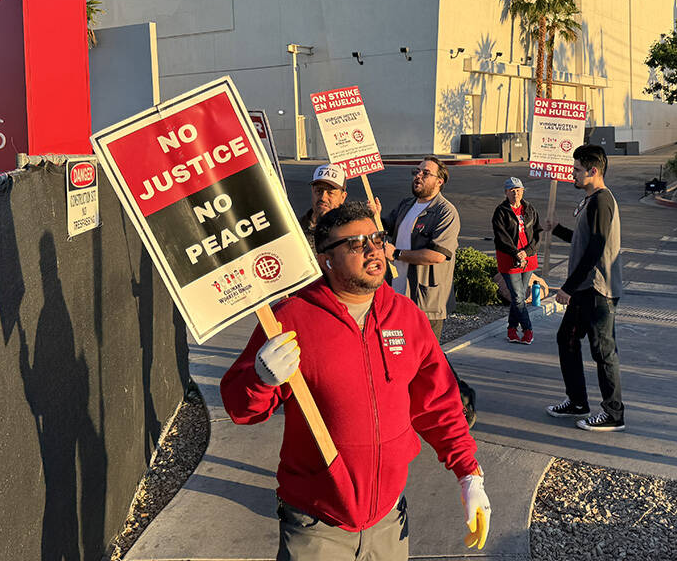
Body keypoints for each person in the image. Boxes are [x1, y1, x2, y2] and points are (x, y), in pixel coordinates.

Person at [221, 202, 491, 559]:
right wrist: (259, 379)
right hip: (316, 526)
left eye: (376, 238)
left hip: (390, 520)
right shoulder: (291, 319)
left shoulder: (406, 315)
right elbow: (242, 409)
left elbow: (438, 404)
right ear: (325, 259)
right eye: (354, 243)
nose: (372, 249)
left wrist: (468, 473)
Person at [380, 156, 478, 426]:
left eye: (426, 173)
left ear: (440, 180)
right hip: (397, 294)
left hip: (426, 299)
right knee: (402, 356)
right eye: (417, 171)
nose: (418, 176)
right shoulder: (406, 205)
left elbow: (437, 255)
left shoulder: (445, 212)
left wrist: (397, 253)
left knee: (430, 357)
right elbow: (385, 227)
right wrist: (374, 214)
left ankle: (462, 399)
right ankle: (405, 408)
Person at [544, 145, 625, 431]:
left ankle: (614, 414)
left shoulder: (602, 201)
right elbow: (582, 240)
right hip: (585, 289)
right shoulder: (591, 200)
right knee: (566, 339)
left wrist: (567, 286)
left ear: (593, 171)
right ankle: (577, 401)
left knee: (603, 352)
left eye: (577, 169)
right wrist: (558, 230)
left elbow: (596, 247)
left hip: (597, 291)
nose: (573, 174)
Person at [491, 176, 543, 345]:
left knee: (517, 297)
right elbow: (501, 237)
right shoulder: (501, 211)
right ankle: (528, 330)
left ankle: (511, 330)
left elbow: (538, 232)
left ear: (523, 191)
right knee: (519, 296)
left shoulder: (529, 209)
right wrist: (516, 253)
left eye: (518, 190)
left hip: (528, 259)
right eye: (512, 190)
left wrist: (526, 252)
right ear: (506, 192)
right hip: (509, 260)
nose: (516, 193)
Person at [297, 164, 347, 251]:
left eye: (330, 193)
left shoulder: (350, 230)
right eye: (319, 191)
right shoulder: (296, 228)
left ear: (343, 197)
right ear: (312, 191)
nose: (323, 198)